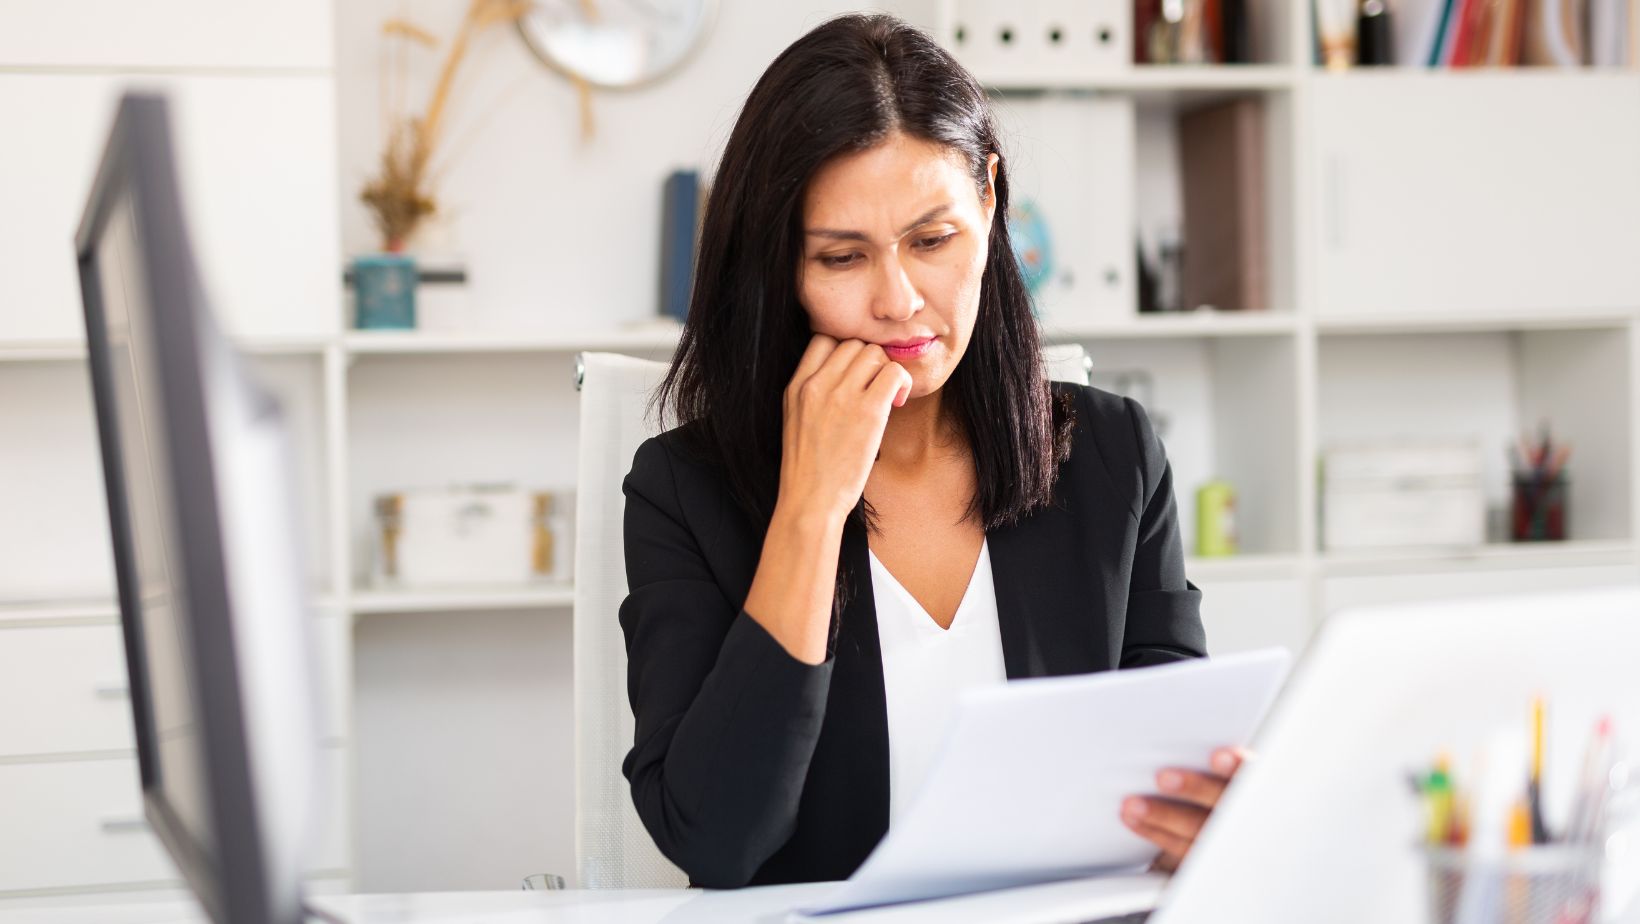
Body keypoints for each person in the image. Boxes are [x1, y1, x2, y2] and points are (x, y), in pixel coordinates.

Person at [618, 12, 1232, 890]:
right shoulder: (684, 489)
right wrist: (810, 508)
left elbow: (1167, 766)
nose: (899, 300)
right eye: (842, 257)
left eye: (932, 241)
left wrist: (1200, 812)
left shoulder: (1113, 453)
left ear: (988, 200)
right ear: (779, 267)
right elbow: (716, 840)